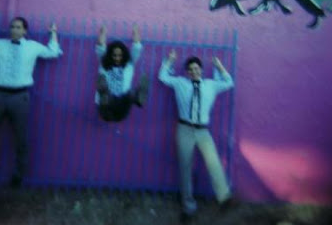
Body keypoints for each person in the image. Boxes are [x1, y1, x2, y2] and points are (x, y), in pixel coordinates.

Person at [0, 14, 63, 188]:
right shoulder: (0, 44)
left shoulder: (32, 47)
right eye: (12, 26)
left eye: (18, 27)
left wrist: (53, 33)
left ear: (25, 31)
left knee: (21, 138)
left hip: (20, 97)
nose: (14, 30)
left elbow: (53, 52)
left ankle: (19, 175)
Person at [158, 50, 237, 223]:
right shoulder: (180, 83)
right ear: (187, 72)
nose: (194, 71)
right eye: (191, 69)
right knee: (185, 168)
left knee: (214, 163)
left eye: (197, 68)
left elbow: (229, 82)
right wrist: (170, 60)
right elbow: (162, 76)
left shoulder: (211, 85)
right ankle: (188, 207)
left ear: (201, 70)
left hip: (202, 131)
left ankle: (224, 198)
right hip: (184, 129)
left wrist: (219, 67)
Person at [95, 24, 149, 122]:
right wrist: (102, 33)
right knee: (107, 98)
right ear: (110, 55)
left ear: (124, 55)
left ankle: (138, 98)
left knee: (129, 95)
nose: (117, 58)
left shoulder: (129, 64)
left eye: (120, 55)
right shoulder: (104, 62)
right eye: (114, 55)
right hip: (106, 106)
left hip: (122, 105)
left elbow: (137, 47)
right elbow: (100, 46)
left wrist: (136, 32)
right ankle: (104, 94)